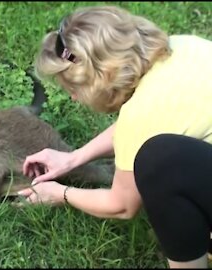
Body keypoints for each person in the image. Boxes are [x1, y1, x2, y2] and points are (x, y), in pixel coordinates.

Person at [16, 5, 212, 269]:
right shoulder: (184, 46)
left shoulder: (141, 114)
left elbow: (120, 205)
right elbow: (149, 122)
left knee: (159, 167)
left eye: (73, 88)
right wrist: (73, 159)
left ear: (99, 78)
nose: (73, 98)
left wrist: (59, 193)